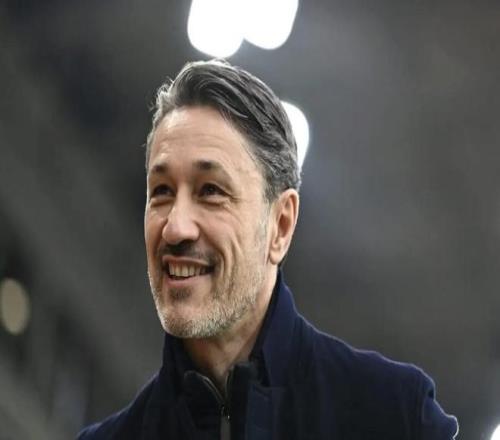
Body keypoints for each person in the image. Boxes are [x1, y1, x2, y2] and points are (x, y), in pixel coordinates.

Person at [78, 59, 458, 440]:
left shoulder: (398, 417)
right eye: (161, 191)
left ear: (280, 226)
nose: (175, 228)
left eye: (210, 191)